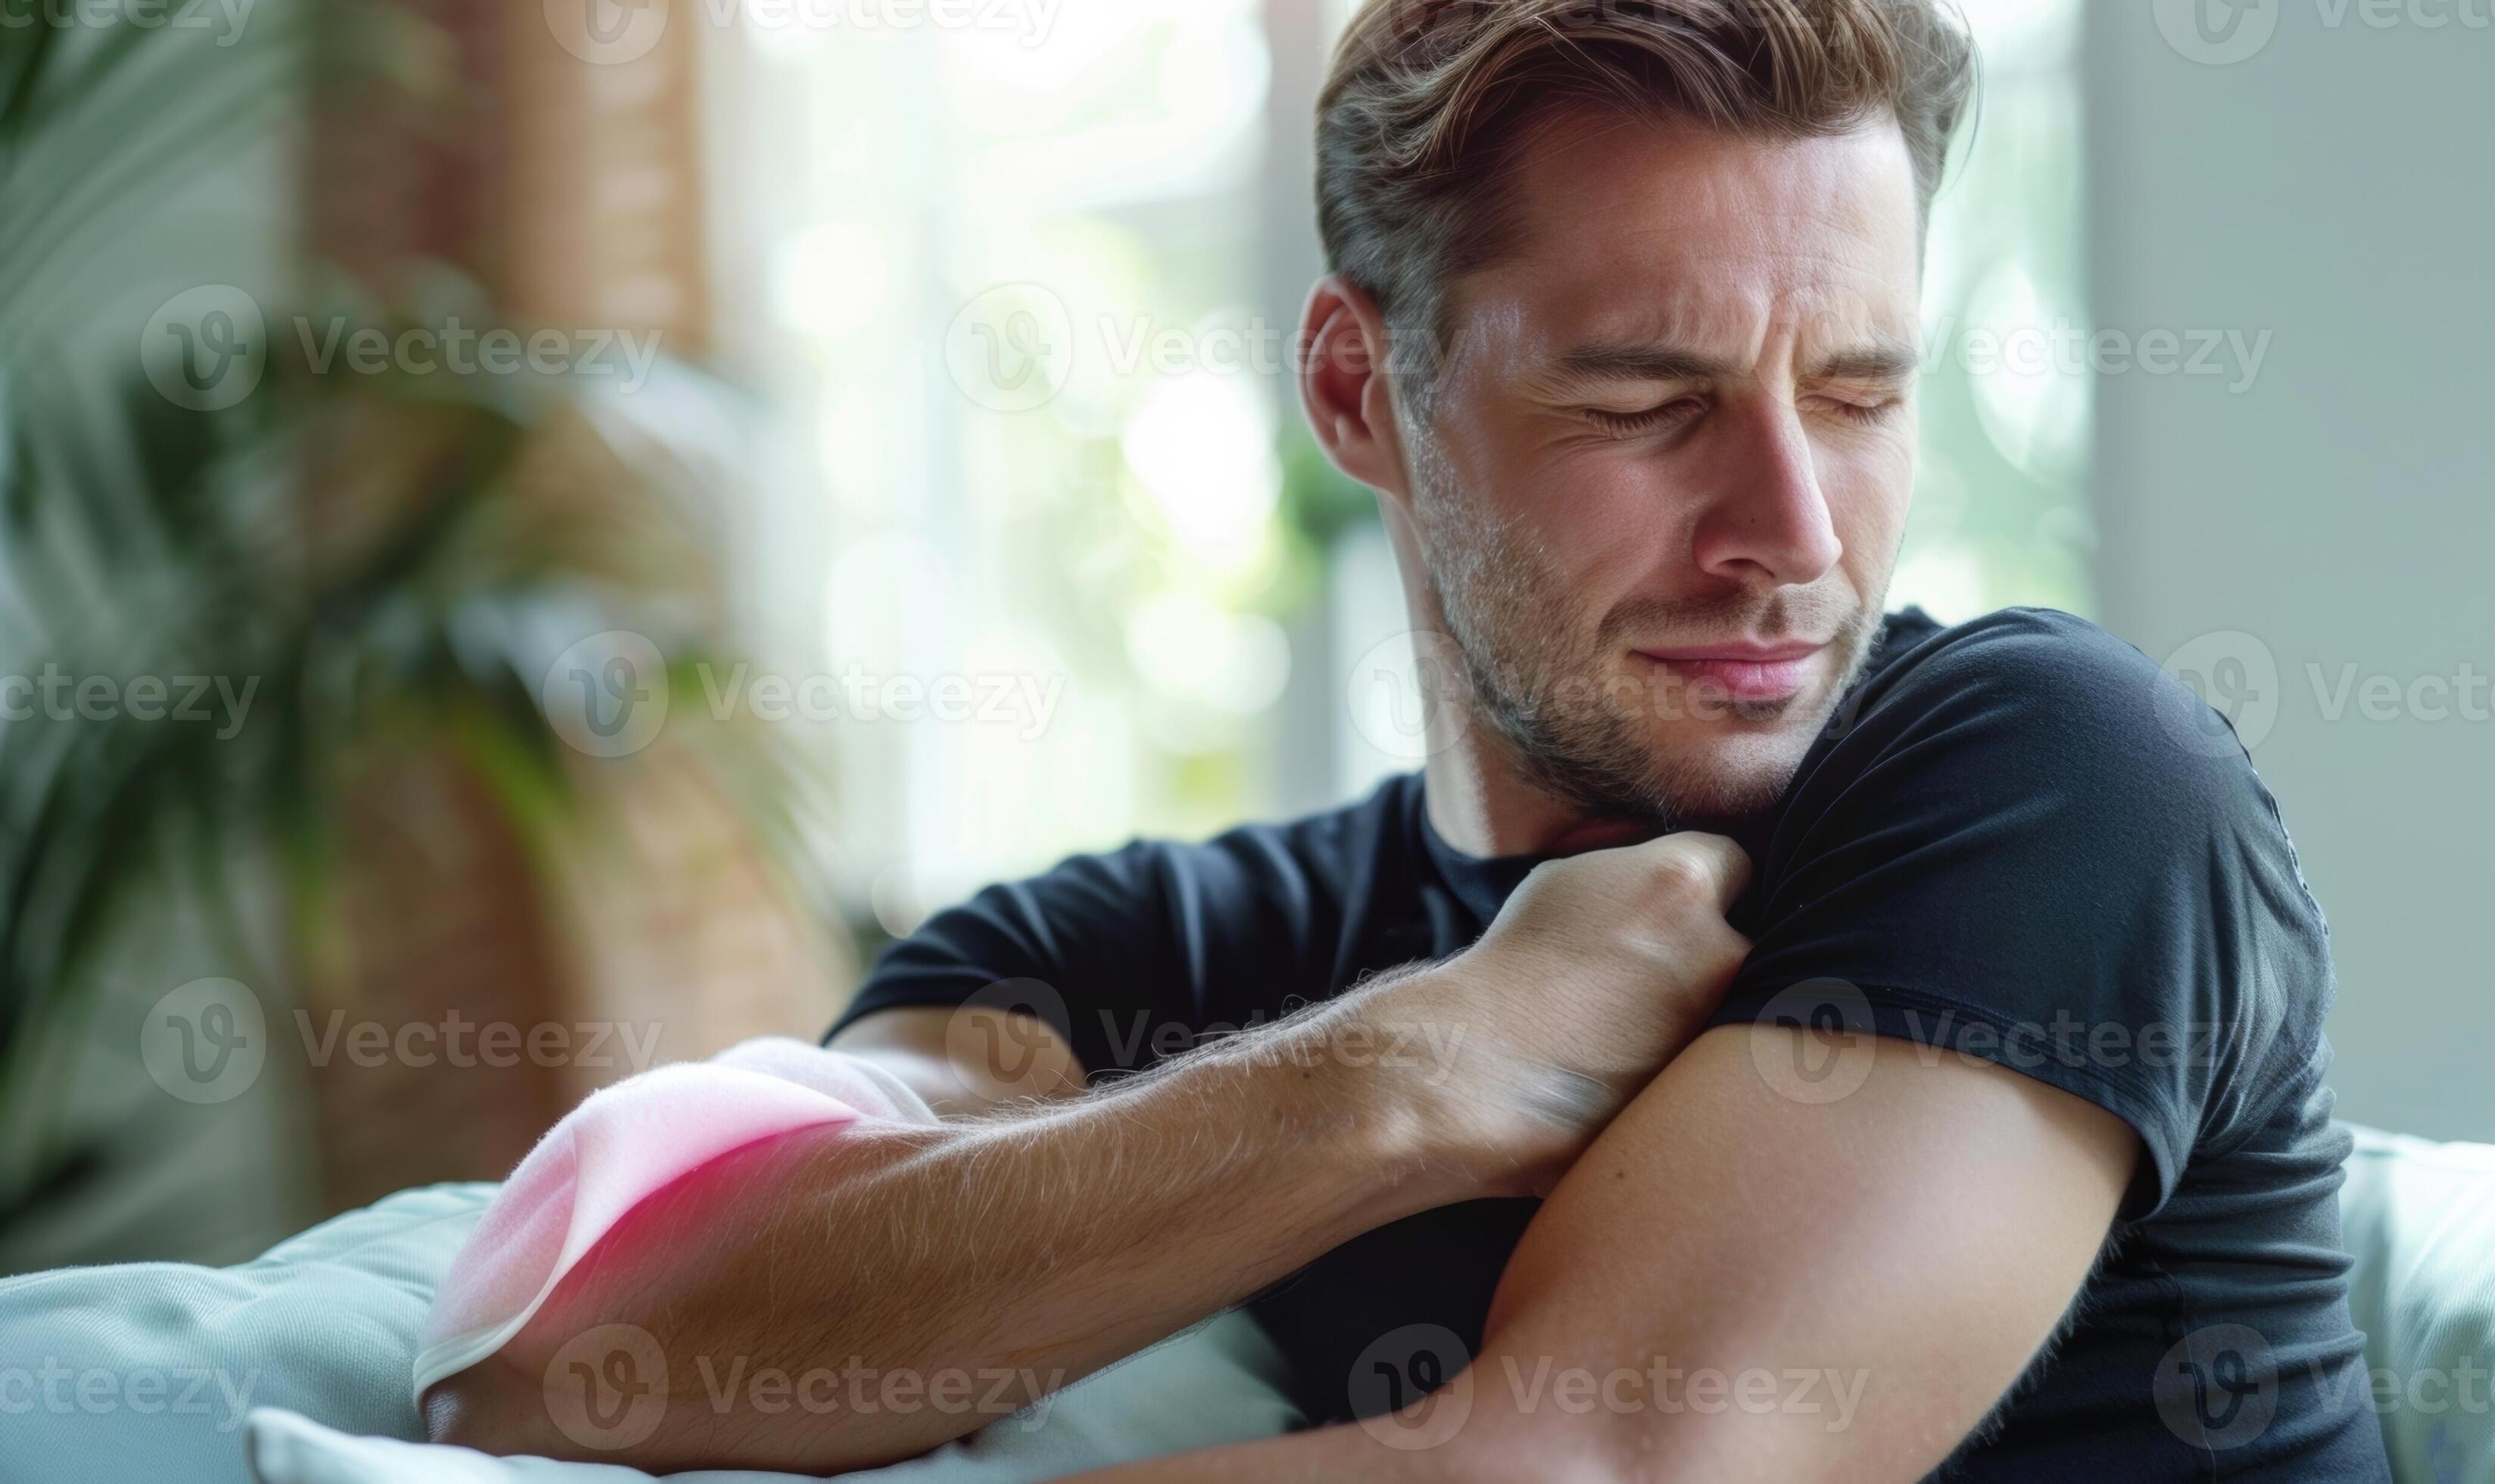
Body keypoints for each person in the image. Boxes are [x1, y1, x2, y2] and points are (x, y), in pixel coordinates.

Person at [427, 2, 2392, 1477]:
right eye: (1646, 404)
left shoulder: (2062, 772)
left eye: (1859, 395)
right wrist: (1407, 1068)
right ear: (1359, 389)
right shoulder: (1142, 961)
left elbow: (1582, 1470)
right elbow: (554, 1366)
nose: (1791, 536)